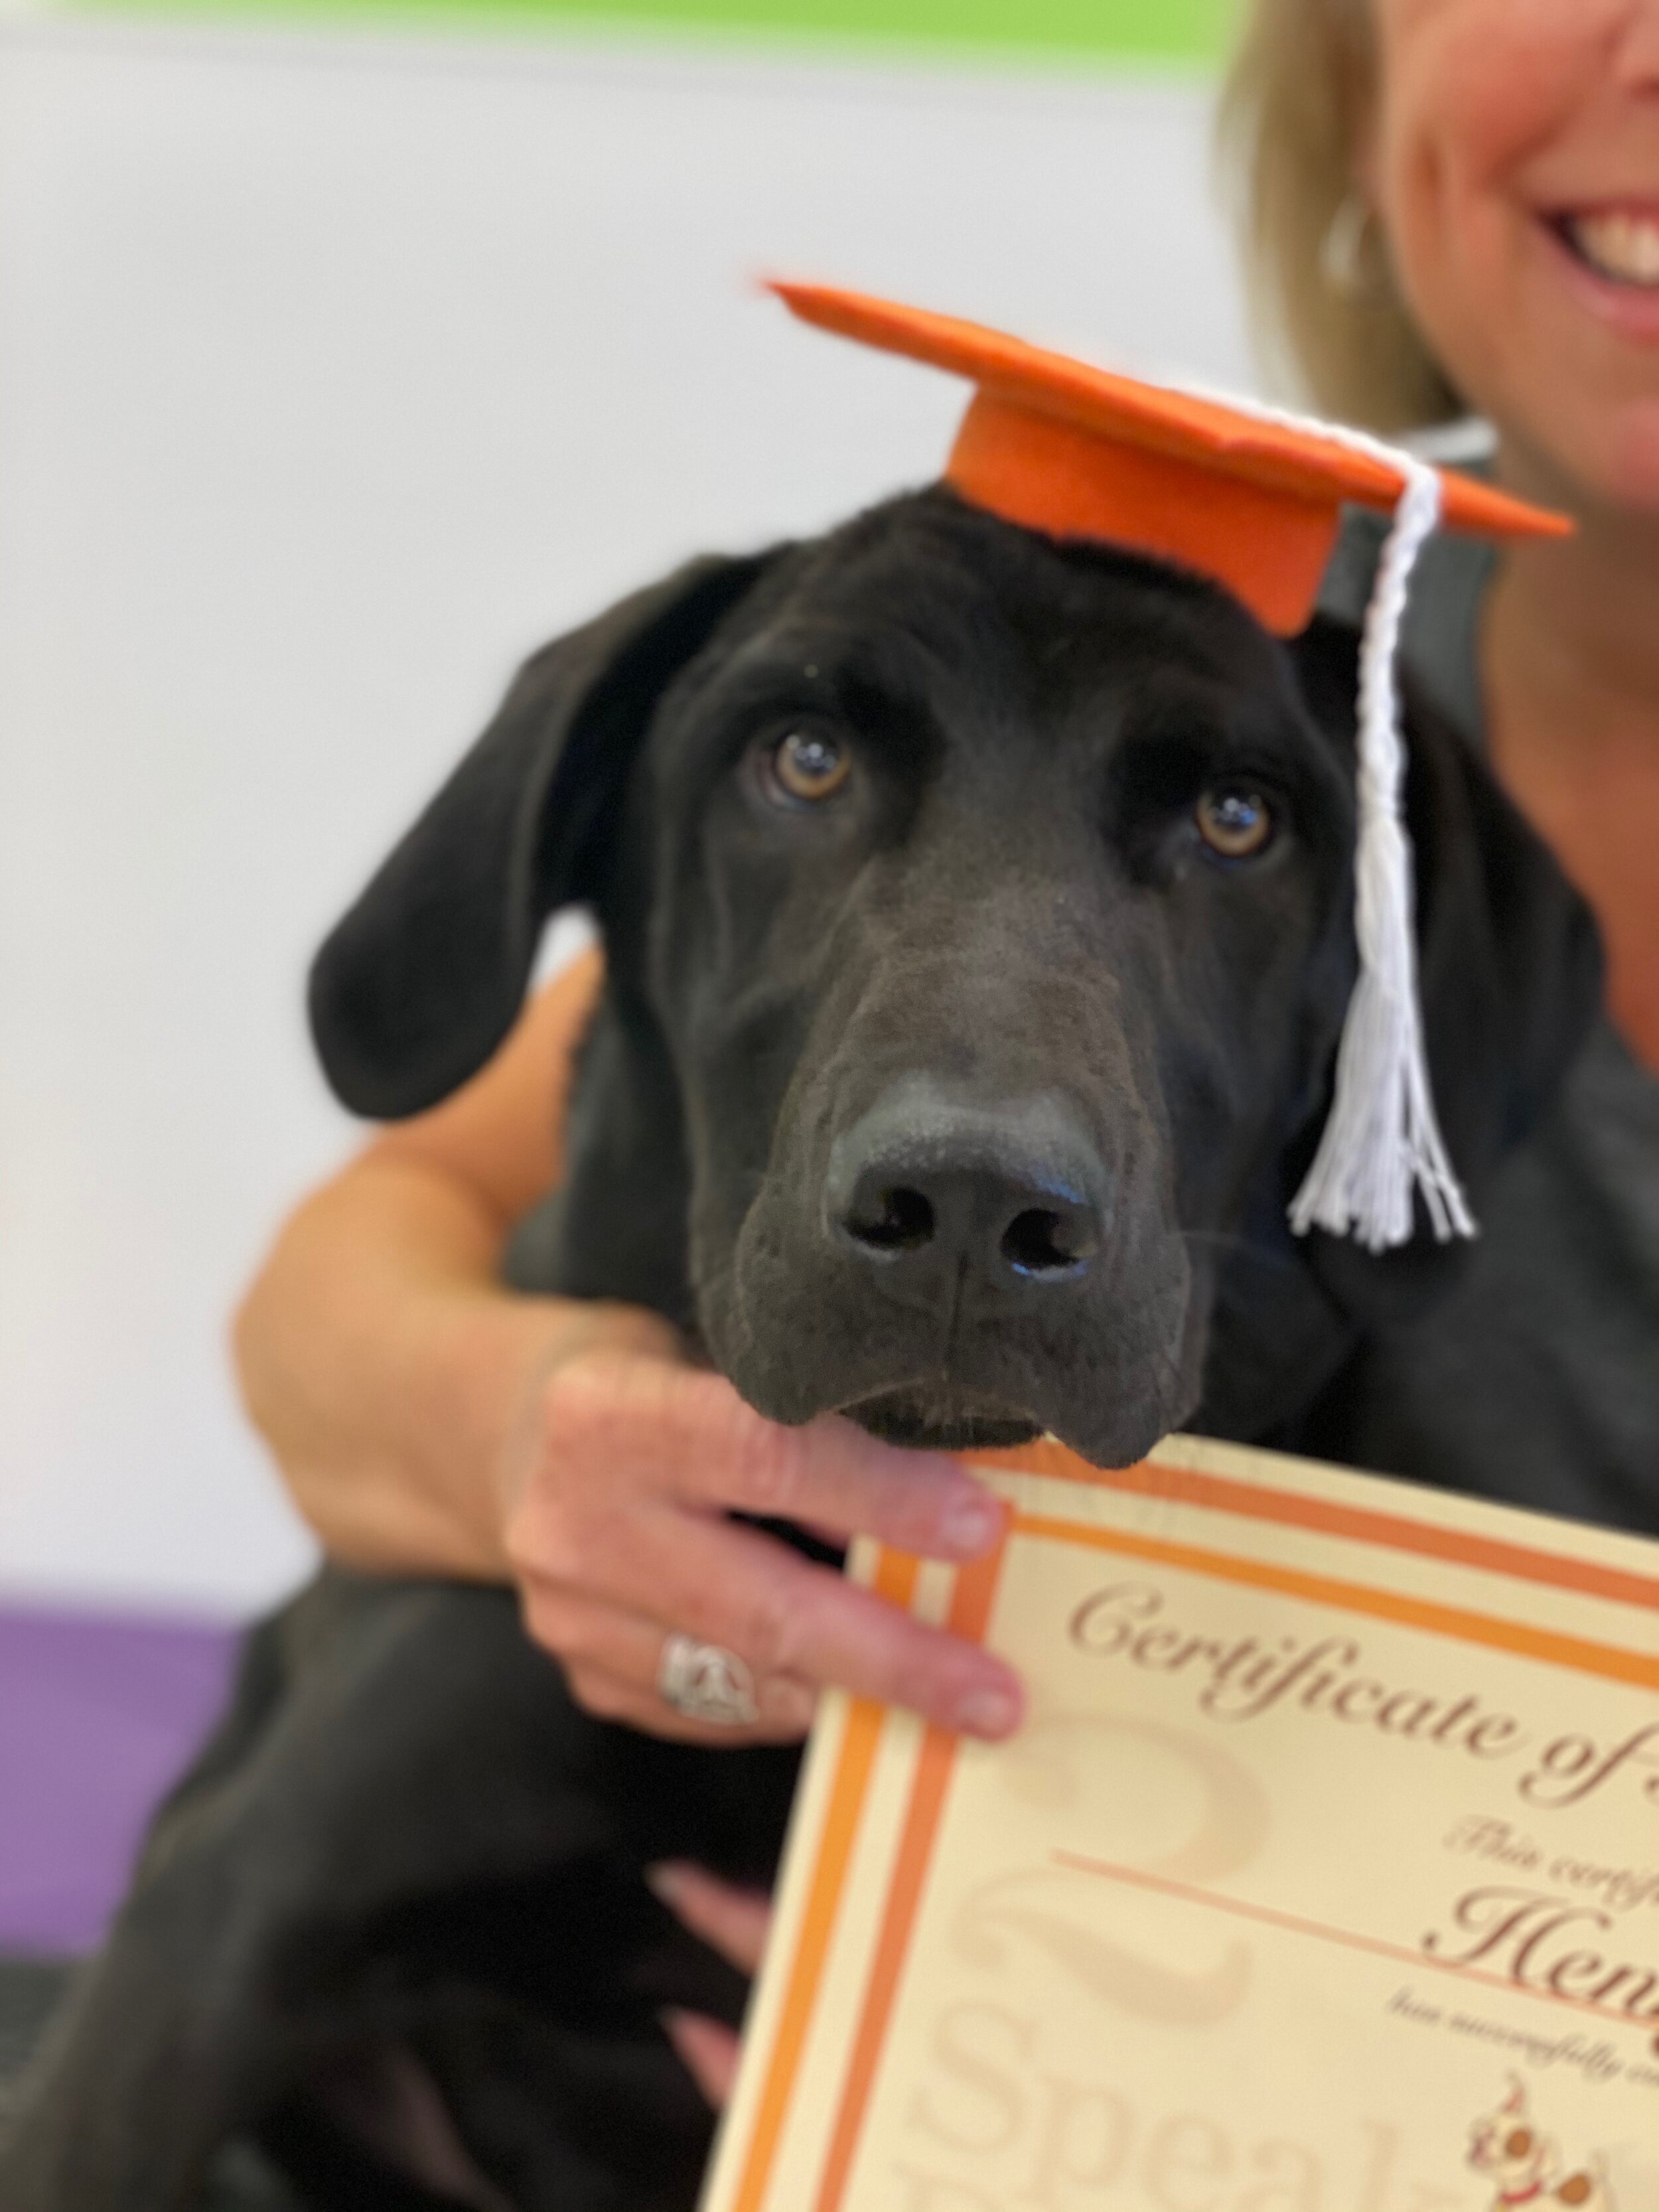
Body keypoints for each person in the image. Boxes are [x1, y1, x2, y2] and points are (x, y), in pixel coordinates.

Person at [234, 0, 1659, 2106]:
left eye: (1230, 827)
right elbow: (360, 1264)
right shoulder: (1208, 616)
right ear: (1360, 90)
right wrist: (542, 1438)